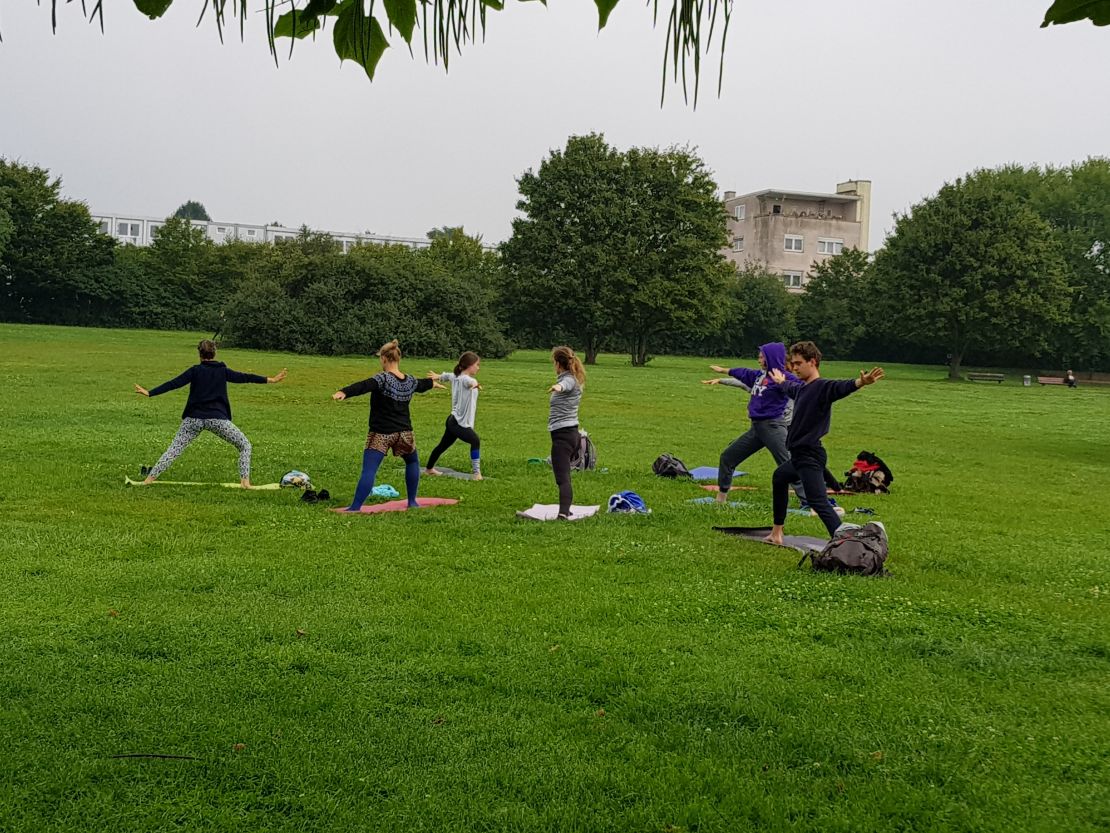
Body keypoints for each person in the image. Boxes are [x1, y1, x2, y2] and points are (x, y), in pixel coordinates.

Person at [764, 341, 884, 545]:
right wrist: (780, 381)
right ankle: (776, 533)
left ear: (813, 362)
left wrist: (861, 382)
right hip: (801, 455)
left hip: (809, 455)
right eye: (792, 364)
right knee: (780, 477)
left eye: (798, 363)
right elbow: (790, 387)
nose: (794, 368)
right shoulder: (803, 389)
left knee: (818, 502)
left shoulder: (822, 387)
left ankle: (846, 545)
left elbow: (841, 387)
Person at [134, 339, 286, 488]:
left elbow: (174, 383)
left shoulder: (195, 370)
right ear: (215, 353)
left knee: (174, 450)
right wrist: (270, 380)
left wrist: (149, 393)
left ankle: (148, 480)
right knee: (245, 446)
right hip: (217, 419)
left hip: (193, 419)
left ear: (199, 354)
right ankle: (245, 483)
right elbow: (245, 377)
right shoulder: (222, 371)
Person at [332, 339, 443, 512]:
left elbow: (364, 385)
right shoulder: (410, 381)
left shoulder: (382, 379)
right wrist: (432, 384)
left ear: (384, 359)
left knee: (369, 469)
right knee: (412, 462)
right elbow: (421, 384)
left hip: (381, 434)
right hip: (405, 433)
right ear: (398, 359)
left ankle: (355, 507)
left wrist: (344, 392)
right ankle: (412, 502)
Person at [702, 343, 806, 505]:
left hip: (773, 427)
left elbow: (804, 389)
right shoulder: (759, 376)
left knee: (788, 465)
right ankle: (721, 499)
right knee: (728, 458)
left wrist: (783, 383)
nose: (759, 359)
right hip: (757, 428)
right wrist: (723, 371)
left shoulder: (784, 377)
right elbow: (743, 374)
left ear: (771, 358)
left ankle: (810, 502)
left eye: (761, 356)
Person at [424, 351, 484, 479]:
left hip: (453, 421)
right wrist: (474, 384)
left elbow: (448, 376)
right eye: (477, 365)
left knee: (442, 445)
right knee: (475, 440)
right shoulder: (467, 379)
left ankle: (429, 469)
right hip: (458, 422)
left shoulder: (456, 376)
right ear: (470, 365)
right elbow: (468, 382)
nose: (478, 367)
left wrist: (438, 376)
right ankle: (477, 473)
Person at [548, 346, 586, 521]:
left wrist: (558, 386)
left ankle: (563, 513)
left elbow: (565, 385)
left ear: (558, 363)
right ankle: (567, 508)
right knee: (565, 476)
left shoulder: (569, 380)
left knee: (562, 478)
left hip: (563, 437)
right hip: (570, 434)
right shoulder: (574, 378)